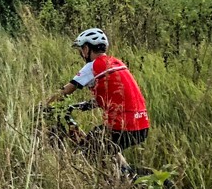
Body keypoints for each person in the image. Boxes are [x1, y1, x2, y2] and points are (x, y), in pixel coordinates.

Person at [45, 28, 150, 163]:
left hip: (122, 126)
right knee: (107, 147)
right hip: (141, 124)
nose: (81, 54)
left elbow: (65, 91)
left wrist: (45, 105)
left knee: (86, 155)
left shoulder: (93, 66)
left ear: (87, 48)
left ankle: (122, 180)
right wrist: (84, 105)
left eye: (82, 49)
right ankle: (127, 176)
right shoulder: (117, 63)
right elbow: (113, 95)